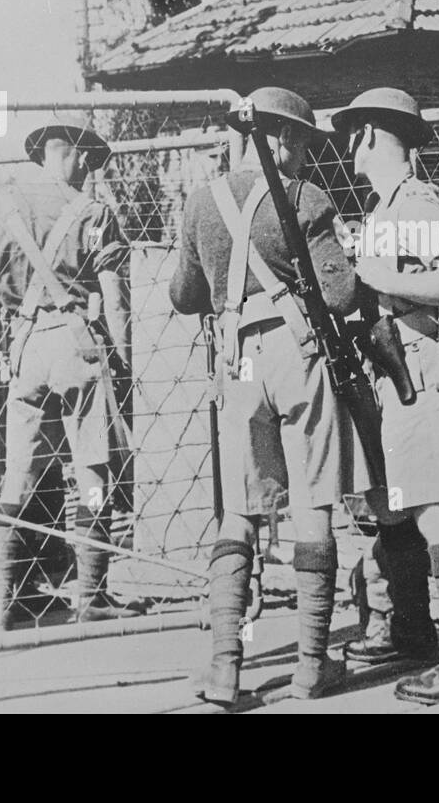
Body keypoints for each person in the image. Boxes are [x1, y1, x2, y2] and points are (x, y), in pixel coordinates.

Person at [171, 87, 357, 705]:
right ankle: (311, 666)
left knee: (239, 513)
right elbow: (341, 296)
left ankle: (225, 668)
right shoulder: (305, 198)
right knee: (312, 504)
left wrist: (231, 287)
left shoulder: (201, 202)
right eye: (302, 142)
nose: (304, 154)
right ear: (282, 139)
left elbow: (182, 296)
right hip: (298, 352)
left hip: (238, 359)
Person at [334, 87, 439, 704]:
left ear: (372, 136)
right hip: (399, 365)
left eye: (353, 133)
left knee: (434, 510)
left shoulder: (416, 201)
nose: (349, 146)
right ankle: (429, 642)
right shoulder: (387, 208)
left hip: (422, 364)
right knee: (405, 506)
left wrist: (378, 275)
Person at [0, 111, 141, 630]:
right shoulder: (93, 211)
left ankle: (1, 602)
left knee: (18, 470)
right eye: (91, 162)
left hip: (23, 347)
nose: (91, 173)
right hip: (76, 343)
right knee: (91, 464)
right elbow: (114, 297)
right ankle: (91, 594)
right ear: (78, 154)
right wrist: (124, 364)